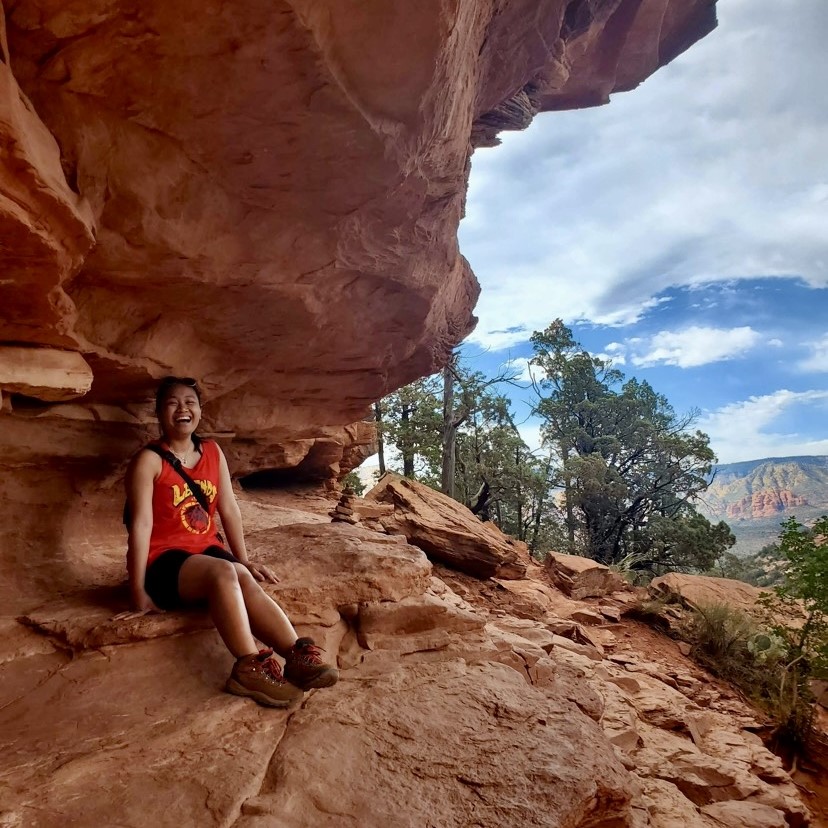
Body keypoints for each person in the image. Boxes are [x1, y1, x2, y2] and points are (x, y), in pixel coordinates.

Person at [121, 376, 338, 707]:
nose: (182, 409)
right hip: (163, 561)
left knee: (241, 575)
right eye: (172, 403)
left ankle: (296, 656)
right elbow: (140, 525)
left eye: (190, 402)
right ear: (160, 412)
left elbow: (229, 508)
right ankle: (248, 668)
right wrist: (138, 591)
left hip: (205, 550)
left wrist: (244, 559)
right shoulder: (149, 460)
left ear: (200, 410)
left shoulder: (212, 451)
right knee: (223, 572)